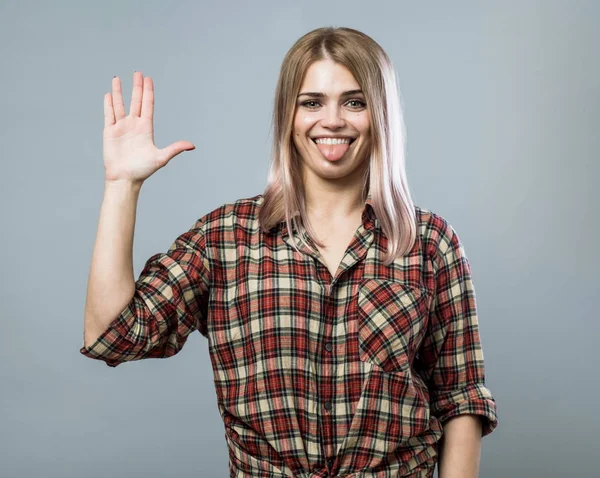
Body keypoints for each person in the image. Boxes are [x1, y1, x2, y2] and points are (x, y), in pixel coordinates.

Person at [81, 26, 498, 478]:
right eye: (312, 102)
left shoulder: (431, 243)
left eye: (354, 102)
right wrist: (121, 186)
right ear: (288, 116)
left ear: (381, 114)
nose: (333, 120)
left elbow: (460, 400)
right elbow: (112, 335)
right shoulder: (227, 238)